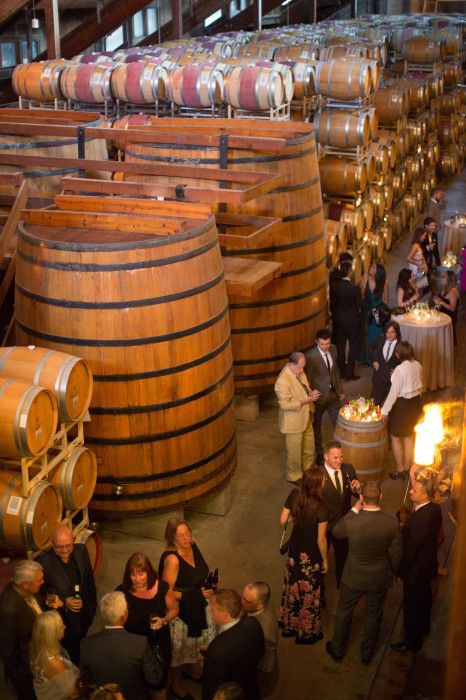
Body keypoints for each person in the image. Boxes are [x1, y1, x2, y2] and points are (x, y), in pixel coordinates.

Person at [325, 482, 403, 665]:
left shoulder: (353, 521)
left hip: (354, 576)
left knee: (344, 611)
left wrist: (353, 510)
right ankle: (367, 655)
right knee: (373, 615)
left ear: (361, 498)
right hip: (379, 577)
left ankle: (338, 649)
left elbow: (336, 532)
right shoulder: (392, 521)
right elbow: (397, 552)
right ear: (381, 497)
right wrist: (393, 571)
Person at [159, 518, 217, 700]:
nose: (186, 538)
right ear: (172, 538)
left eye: (187, 533)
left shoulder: (192, 544)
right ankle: (175, 683)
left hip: (198, 604)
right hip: (181, 611)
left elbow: (200, 570)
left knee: (195, 644)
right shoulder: (172, 560)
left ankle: (189, 669)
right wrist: (193, 595)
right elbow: (166, 591)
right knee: (179, 649)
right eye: (180, 535)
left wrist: (209, 584)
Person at [391, 468, 442, 653]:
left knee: (412, 607)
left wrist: (399, 571)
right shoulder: (435, 508)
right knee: (425, 600)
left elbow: (411, 550)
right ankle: (424, 627)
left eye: (414, 490)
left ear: (424, 495)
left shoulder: (421, 519)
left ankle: (411, 642)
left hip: (416, 571)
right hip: (428, 565)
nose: (411, 491)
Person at [116, 552, 179, 697]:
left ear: (148, 573)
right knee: (136, 684)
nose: (136, 579)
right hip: (133, 645)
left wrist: (163, 620)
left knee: (158, 684)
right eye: (132, 575)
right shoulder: (122, 592)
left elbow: (174, 609)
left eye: (141, 574)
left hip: (158, 643)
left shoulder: (162, 588)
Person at [80, 591, 163, 700]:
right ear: (123, 615)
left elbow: (86, 679)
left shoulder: (86, 644)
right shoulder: (140, 643)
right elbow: (154, 679)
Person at [278, 467, 328, 644]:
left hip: (295, 548)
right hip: (311, 553)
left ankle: (289, 624)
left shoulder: (294, 495)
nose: (325, 481)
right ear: (317, 484)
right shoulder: (322, 508)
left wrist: (294, 515)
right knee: (309, 589)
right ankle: (306, 630)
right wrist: (325, 561)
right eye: (323, 480)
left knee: (293, 584)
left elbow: (283, 520)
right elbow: (321, 540)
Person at [38, 524, 97, 665]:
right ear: (51, 543)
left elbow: (89, 582)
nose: (65, 550)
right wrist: (64, 603)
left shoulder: (81, 551)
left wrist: (92, 608)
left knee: (82, 646)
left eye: (68, 545)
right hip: (64, 625)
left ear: (74, 540)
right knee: (70, 658)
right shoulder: (43, 563)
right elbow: (42, 597)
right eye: (59, 547)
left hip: (85, 617)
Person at [202, 589, 264, 700]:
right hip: (251, 690)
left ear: (225, 615)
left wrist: (211, 654)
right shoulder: (253, 623)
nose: (210, 610)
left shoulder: (215, 652)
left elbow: (210, 690)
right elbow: (261, 652)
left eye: (212, 607)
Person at [0, 559, 44, 699]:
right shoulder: (9, 611)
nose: (42, 582)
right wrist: (24, 681)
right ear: (25, 584)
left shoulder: (22, 588)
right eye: (39, 580)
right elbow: (9, 654)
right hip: (27, 671)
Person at [274, 352, 320, 484]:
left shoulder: (299, 372)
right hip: (293, 422)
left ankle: (308, 471)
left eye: (303, 367)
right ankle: (294, 476)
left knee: (309, 446)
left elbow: (304, 388)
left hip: (306, 417)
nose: (302, 370)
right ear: (291, 364)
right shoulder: (282, 382)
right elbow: (285, 405)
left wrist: (311, 392)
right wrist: (307, 400)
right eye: (300, 367)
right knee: (294, 452)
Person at [320, 441, 360, 588]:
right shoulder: (318, 475)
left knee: (343, 556)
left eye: (341, 456)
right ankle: (320, 591)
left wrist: (358, 489)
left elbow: (356, 494)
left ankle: (341, 582)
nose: (339, 460)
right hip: (324, 525)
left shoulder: (348, 469)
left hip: (343, 523)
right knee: (320, 560)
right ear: (326, 457)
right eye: (335, 457)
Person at [381, 341, 423, 481]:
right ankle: (407, 467)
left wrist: (384, 411)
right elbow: (418, 385)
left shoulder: (399, 370)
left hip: (403, 406)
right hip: (416, 404)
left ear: (398, 354)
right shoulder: (418, 364)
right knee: (409, 436)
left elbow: (394, 393)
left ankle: (400, 469)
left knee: (395, 437)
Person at [305, 328, 345, 466]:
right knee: (317, 426)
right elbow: (307, 378)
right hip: (319, 397)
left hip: (333, 394)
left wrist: (340, 390)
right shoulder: (310, 356)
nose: (325, 347)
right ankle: (320, 452)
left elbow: (335, 372)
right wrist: (310, 397)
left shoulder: (333, 349)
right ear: (317, 342)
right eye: (322, 344)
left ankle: (338, 451)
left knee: (339, 422)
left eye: (327, 343)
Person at [29, 610, 79, 700]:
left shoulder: (39, 647)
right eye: (61, 626)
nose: (65, 626)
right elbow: (73, 693)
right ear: (52, 633)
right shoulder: (54, 664)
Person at [241, 583, 278, 698]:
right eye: (242, 597)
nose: (241, 602)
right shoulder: (266, 604)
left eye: (246, 601)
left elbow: (264, 663)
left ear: (259, 606)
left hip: (261, 669)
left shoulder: (262, 631)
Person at [330, 259, 361, 381]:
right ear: (349, 272)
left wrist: (335, 316)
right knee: (353, 346)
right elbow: (360, 305)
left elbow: (332, 304)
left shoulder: (335, 286)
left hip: (338, 320)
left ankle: (342, 371)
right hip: (352, 321)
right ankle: (349, 373)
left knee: (340, 346)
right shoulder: (354, 288)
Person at [358, 260, 389, 363]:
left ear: (378, 271)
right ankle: (364, 358)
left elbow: (386, 299)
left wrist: (382, 311)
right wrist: (364, 281)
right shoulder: (364, 279)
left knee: (375, 335)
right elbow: (361, 296)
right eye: (371, 267)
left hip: (377, 313)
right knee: (363, 334)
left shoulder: (383, 282)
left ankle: (375, 359)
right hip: (366, 310)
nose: (371, 268)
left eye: (374, 267)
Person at [368, 321, 402, 407]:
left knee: (390, 407)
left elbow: (407, 361)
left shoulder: (401, 345)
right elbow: (370, 347)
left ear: (397, 333)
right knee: (373, 404)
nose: (389, 335)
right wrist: (374, 360)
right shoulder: (380, 339)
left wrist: (398, 370)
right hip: (379, 376)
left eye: (392, 332)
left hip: (392, 380)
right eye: (387, 332)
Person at [433, 269, 459, 346]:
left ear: (449, 279)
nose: (441, 278)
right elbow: (442, 303)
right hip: (443, 314)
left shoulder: (453, 291)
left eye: (443, 276)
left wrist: (441, 302)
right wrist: (437, 304)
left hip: (449, 318)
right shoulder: (445, 288)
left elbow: (452, 308)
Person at [406, 228, 429, 292]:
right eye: (424, 235)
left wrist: (425, 265)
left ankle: (419, 300)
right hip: (416, 270)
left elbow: (422, 256)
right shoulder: (415, 246)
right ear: (419, 235)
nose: (425, 237)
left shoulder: (419, 244)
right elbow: (408, 258)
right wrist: (419, 265)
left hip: (420, 269)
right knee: (418, 289)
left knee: (421, 288)